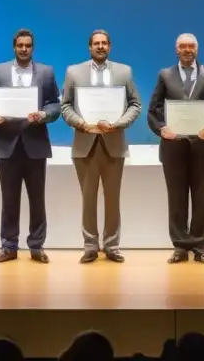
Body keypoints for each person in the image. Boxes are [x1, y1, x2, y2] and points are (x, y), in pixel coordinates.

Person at [0, 29, 61, 264]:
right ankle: (9, 246)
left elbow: (55, 104)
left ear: (32, 48)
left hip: (35, 144)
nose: (24, 49)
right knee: (9, 199)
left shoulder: (45, 72)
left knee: (37, 199)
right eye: (20, 46)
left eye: (28, 46)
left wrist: (44, 114)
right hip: (7, 145)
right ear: (14, 47)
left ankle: (36, 246)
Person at [60, 29, 142, 263]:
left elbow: (135, 104)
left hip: (113, 143)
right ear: (89, 47)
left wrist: (118, 124)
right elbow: (66, 106)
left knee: (113, 198)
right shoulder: (74, 72)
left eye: (104, 43)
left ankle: (112, 245)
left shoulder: (124, 72)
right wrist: (82, 124)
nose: (100, 46)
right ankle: (90, 246)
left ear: (110, 46)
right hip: (85, 143)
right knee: (88, 199)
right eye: (96, 43)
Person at [147, 32, 204, 264]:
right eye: (182, 46)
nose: (187, 50)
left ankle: (200, 246)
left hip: (203, 146)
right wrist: (161, 129)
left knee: (202, 198)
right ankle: (181, 246)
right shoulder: (165, 75)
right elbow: (153, 111)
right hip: (173, 146)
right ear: (176, 50)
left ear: (197, 49)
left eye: (191, 46)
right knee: (177, 198)